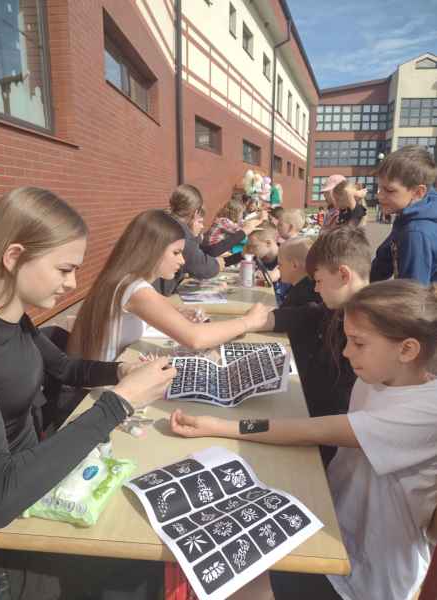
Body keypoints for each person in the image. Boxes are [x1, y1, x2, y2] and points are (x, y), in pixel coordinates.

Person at [170, 279, 437, 600]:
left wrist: (220, 426)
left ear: (407, 350)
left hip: (364, 575)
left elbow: (313, 430)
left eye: (358, 343)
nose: (346, 352)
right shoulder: (377, 376)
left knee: (225, 587)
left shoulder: (426, 412)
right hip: (329, 523)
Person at [0, 187, 176, 598]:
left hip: (41, 484)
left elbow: (66, 367)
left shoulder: (17, 322)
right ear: (14, 256)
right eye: (64, 269)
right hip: (12, 534)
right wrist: (119, 402)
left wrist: (121, 370)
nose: (72, 283)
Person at [69, 209, 273, 360]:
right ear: (152, 250)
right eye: (176, 253)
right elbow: (195, 338)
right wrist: (248, 322)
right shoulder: (134, 289)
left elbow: (160, 305)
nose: (183, 261)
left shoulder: (126, 280)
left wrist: (179, 314)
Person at [246, 226, 371, 463]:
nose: (315, 288)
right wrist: (249, 322)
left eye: (319, 280)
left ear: (343, 275)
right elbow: (305, 315)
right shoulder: (337, 309)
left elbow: (338, 411)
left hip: (329, 438)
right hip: (315, 420)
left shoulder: (367, 331)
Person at [371, 145, 437, 284]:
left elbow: (412, 291)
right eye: (379, 188)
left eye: (389, 190)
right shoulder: (407, 217)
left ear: (418, 192)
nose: (379, 195)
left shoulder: (416, 233)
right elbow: (382, 263)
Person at [153, 184, 223, 296]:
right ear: (195, 213)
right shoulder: (180, 231)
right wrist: (217, 264)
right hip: (154, 293)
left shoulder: (161, 220)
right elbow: (202, 267)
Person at [245, 224, 290, 305]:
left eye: (254, 246)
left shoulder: (286, 257)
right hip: (261, 300)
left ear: (268, 243)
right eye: (249, 246)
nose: (251, 250)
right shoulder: (258, 256)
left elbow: (272, 277)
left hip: (281, 305)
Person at [277, 237, 321, 308]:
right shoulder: (308, 286)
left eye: (280, 264)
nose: (278, 268)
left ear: (294, 265)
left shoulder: (301, 297)